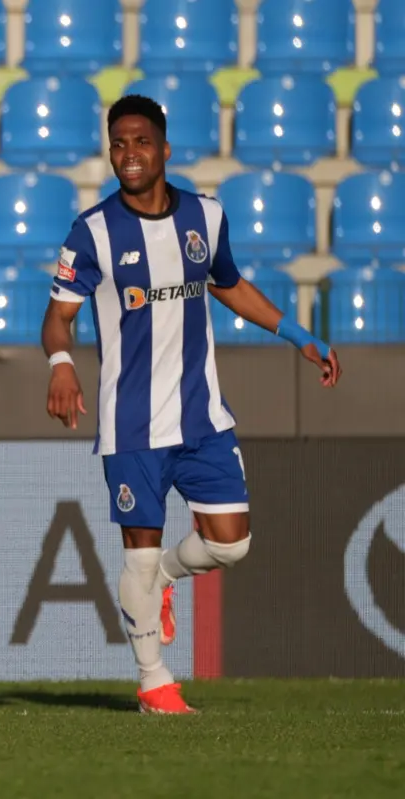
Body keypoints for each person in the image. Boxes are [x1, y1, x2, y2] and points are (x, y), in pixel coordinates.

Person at [42, 95, 343, 714]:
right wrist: (62, 365)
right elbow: (57, 318)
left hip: (203, 417)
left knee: (231, 544)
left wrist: (299, 336)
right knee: (139, 552)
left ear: (165, 149)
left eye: (141, 142)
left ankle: (167, 583)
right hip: (131, 428)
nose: (129, 155)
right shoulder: (92, 232)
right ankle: (155, 683)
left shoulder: (206, 216)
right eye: (118, 144)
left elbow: (228, 284)